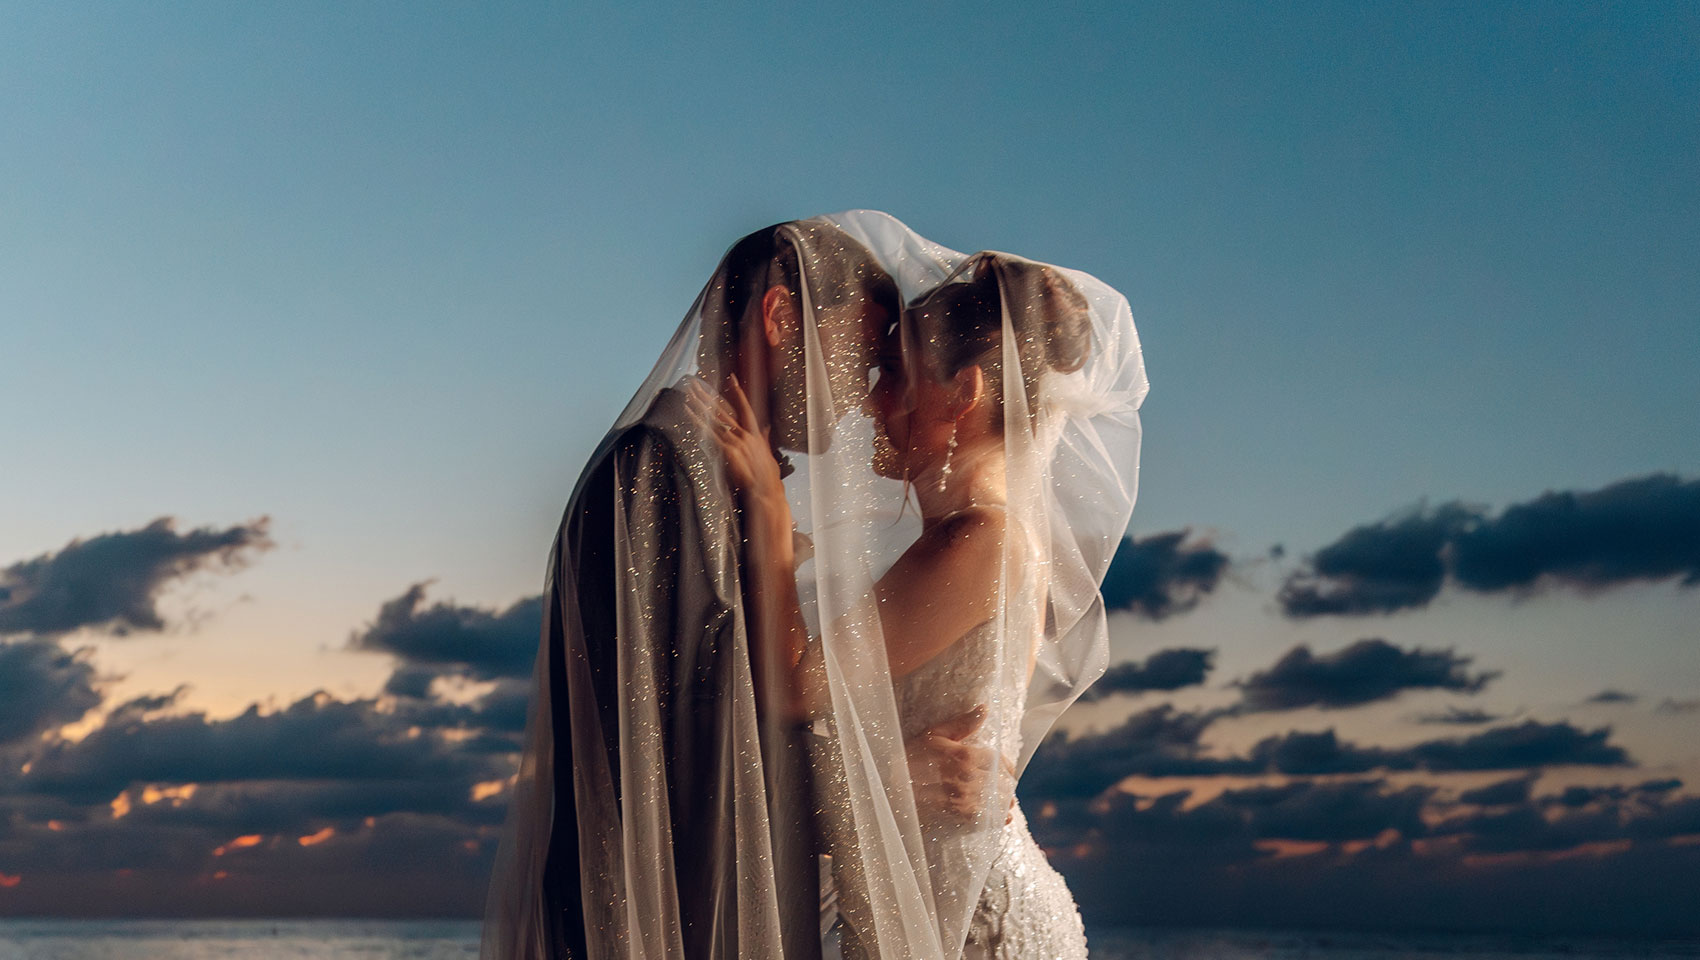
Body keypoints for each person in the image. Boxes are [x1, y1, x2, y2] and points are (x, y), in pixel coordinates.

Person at [479, 213, 1004, 960]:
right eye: (859, 351)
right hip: (661, 922)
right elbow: (678, 742)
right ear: (782, 316)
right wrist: (886, 780)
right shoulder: (656, 471)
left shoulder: (712, 472)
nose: (861, 396)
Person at [694, 232, 1149, 960]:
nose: (868, 398)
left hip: (971, 924)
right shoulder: (976, 539)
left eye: (894, 375)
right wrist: (895, 776)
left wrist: (769, 515)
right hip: (924, 905)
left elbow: (794, 690)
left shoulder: (985, 541)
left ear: (963, 393)